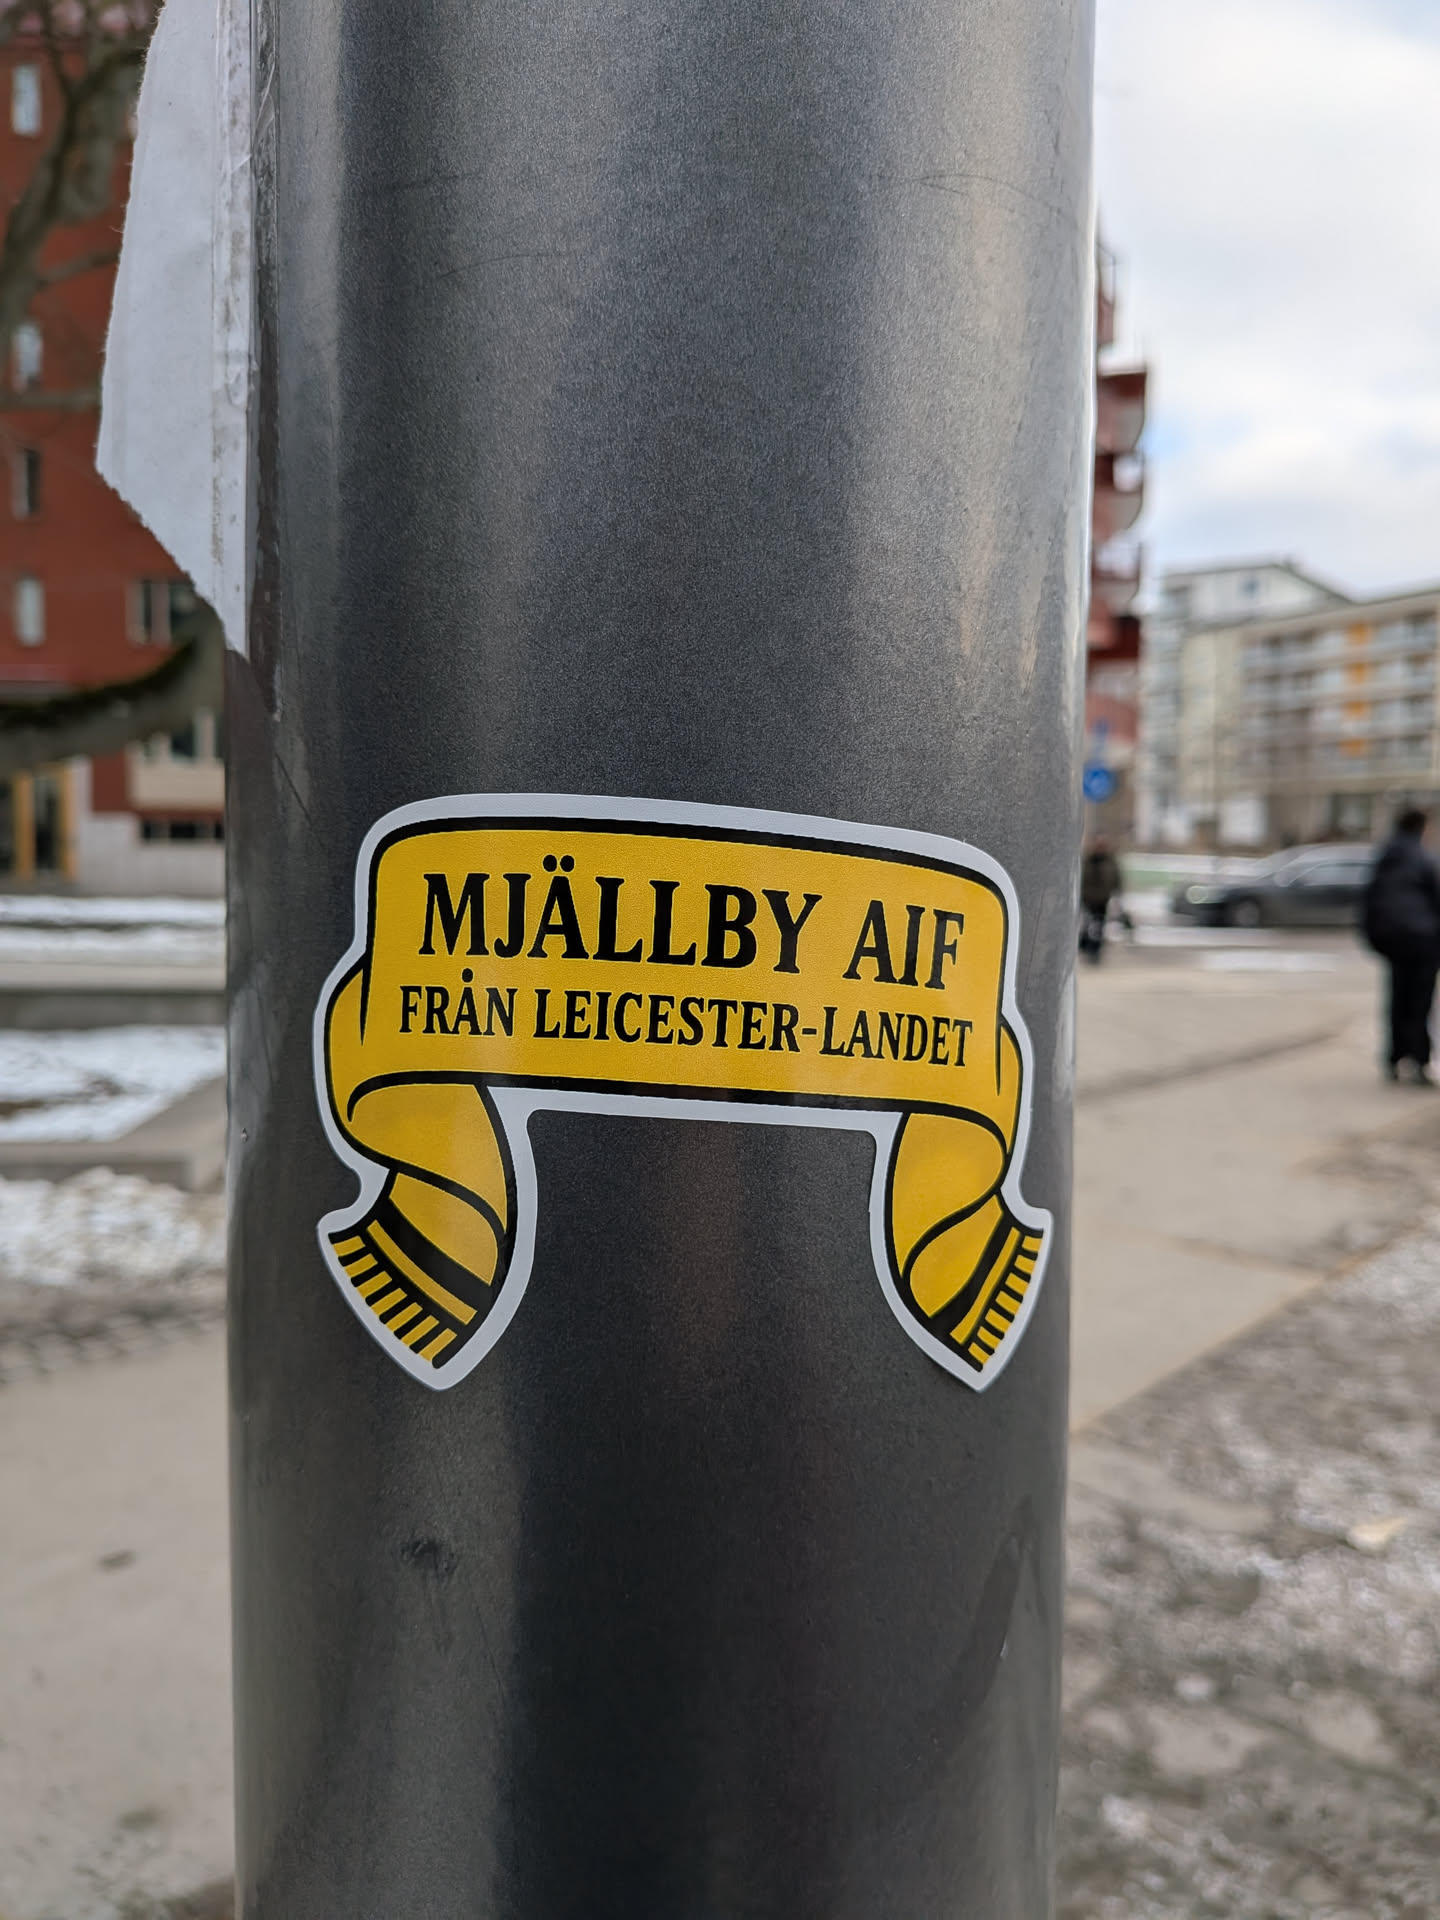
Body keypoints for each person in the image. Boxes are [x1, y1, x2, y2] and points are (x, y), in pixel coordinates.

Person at [1361, 807, 1440, 1084]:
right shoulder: (1423, 857)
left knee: (1397, 998)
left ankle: (1394, 1058)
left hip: (1394, 941)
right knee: (1420, 1002)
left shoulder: (1386, 857)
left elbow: (1370, 899)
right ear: (1422, 827)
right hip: (1423, 941)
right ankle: (1419, 1061)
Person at [1079, 836, 1122, 963]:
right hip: (1088, 899)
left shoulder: (1110, 861)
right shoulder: (1088, 861)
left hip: (1102, 899)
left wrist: (1117, 894)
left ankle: (1095, 949)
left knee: (1098, 925)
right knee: (1088, 924)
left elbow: (1116, 878)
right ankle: (1086, 946)